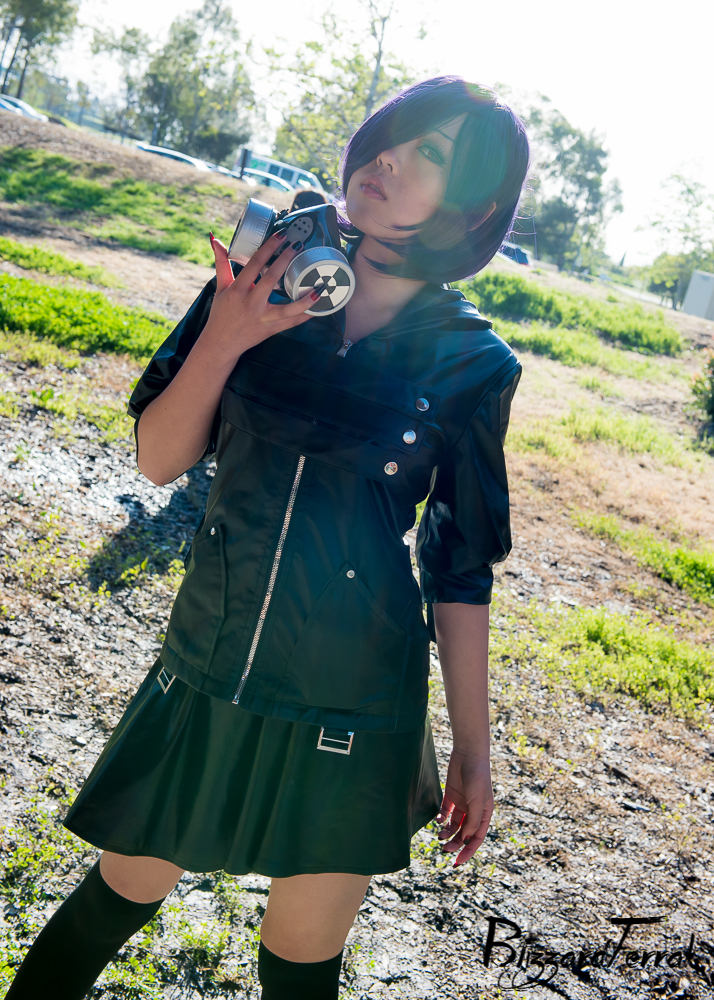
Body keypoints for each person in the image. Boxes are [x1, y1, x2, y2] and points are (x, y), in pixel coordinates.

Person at [5, 76, 529, 1000]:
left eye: (432, 155)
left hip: (356, 704)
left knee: (298, 964)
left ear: (475, 206)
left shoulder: (474, 362)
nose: (389, 158)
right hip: (212, 658)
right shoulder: (269, 268)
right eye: (394, 135)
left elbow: (458, 567)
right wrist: (229, 331)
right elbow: (160, 460)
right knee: (115, 898)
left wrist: (474, 751)